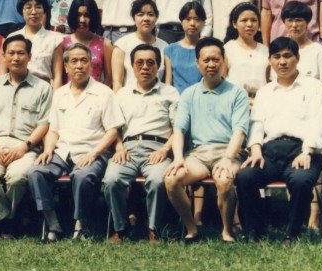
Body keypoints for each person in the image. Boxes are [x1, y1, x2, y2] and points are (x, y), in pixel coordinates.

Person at [237, 37, 322, 244]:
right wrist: (255, 150)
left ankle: (292, 233)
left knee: (301, 180)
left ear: (297, 58)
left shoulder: (314, 87)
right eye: (277, 57)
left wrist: (307, 151)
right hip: (270, 152)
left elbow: (319, 122)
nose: (282, 62)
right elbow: (256, 124)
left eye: (288, 56)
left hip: (302, 149)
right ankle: (257, 232)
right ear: (270, 60)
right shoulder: (265, 92)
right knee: (245, 176)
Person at [29, 42, 121, 242]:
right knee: (36, 172)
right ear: (66, 66)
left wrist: (94, 154)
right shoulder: (59, 94)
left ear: (91, 64)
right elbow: (53, 129)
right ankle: (53, 224)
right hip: (62, 152)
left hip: (92, 151)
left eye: (84, 60)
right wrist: (48, 150)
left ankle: (80, 225)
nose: (79, 65)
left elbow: (112, 131)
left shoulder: (104, 92)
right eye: (74, 61)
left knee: (82, 176)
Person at [163, 37, 250, 243]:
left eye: (216, 59)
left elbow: (239, 131)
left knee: (224, 179)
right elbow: (179, 129)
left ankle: (227, 231)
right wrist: (178, 158)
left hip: (228, 151)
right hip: (198, 154)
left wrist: (228, 159)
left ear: (224, 61)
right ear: (198, 63)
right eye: (206, 60)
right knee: (171, 179)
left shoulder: (237, 93)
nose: (211, 64)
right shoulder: (188, 94)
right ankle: (191, 228)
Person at [0, 35, 52, 238]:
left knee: (18, 177)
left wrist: (24, 147)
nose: (16, 58)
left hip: (26, 145)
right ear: (4, 56)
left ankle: (3, 220)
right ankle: (8, 219)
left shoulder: (43, 87)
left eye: (21, 53)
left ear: (29, 56)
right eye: (11, 53)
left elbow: (44, 124)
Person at [103, 43, 179, 244]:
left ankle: (153, 228)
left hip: (157, 149)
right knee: (111, 180)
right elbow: (114, 127)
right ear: (132, 66)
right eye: (140, 63)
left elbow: (178, 129)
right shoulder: (122, 94)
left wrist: (165, 149)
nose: (145, 67)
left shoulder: (170, 93)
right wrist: (119, 147)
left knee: (158, 180)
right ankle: (120, 228)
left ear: (158, 66)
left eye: (150, 63)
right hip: (127, 150)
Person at [55, 0, 114, 87]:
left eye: (87, 15)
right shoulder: (62, 43)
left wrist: (99, 93)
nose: (82, 20)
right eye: (78, 15)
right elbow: (58, 78)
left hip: (96, 94)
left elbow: (109, 78)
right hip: (69, 94)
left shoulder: (105, 44)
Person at [112, 0, 167, 91]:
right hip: (129, 97)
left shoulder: (165, 46)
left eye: (150, 14)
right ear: (134, 18)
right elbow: (117, 83)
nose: (146, 18)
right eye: (140, 14)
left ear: (156, 18)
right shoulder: (122, 45)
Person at [5, 0, 62, 83]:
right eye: (28, 7)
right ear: (22, 11)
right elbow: (4, 72)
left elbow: (57, 76)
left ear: (44, 11)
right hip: (16, 86)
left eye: (38, 7)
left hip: (44, 87)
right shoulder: (12, 38)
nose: (34, 12)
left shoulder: (55, 39)